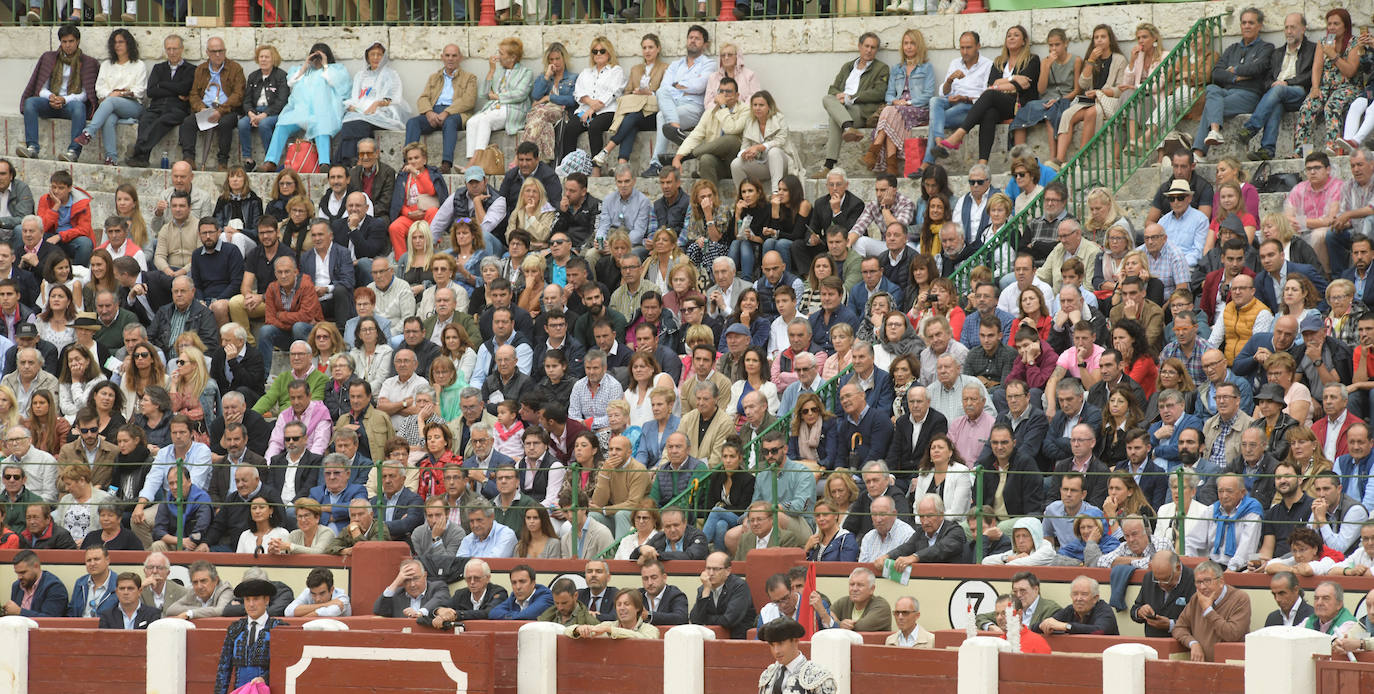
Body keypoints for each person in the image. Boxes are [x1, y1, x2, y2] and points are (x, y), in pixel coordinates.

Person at [935, 26, 1041, 167]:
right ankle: (982, 163)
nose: (1011, 38)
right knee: (989, 112)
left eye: (1016, 35)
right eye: (1009, 35)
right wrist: (1012, 79)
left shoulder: (1032, 59)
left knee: (990, 94)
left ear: (1024, 41)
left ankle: (959, 134)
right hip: (1001, 103)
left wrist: (999, 85)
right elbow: (992, 83)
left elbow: (1023, 85)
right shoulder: (999, 61)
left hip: (1020, 104)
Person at [257, 42, 350, 174]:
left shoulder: (335, 70)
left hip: (324, 113)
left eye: (320, 56)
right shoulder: (303, 71)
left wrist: (325, 65)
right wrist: (306, 65)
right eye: (315, 56)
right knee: (282, 125)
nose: (317, 60)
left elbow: (335, 82)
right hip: (300, 113)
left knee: (322, 127)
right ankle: (270, 162)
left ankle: (324, 163)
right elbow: (291, 82)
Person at [16, 24, 100, 163]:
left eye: (71, 41)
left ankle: (73, 152)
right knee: (30, 102)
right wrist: (51, 97)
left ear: (78, 41)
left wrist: (64, 100)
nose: (68, 45)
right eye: (64, 41)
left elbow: (85, 94)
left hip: (70, 105)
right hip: (50, 102)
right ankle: (32, 148)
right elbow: (41, 88)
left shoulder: (88, 62)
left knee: (80, 107)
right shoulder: (49, 58)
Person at [1240, 13, 1316, 161]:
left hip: (1299, 92)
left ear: (1303, 29)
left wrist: (1287, 83)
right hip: (1278, 95)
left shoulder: (1312, 49)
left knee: (1279, 89)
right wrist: (1273, 84)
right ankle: (1267, 150)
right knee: (1276, 103)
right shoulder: (1277, 53)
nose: (1289, 31)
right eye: (1286, 28)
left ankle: (1251, 128)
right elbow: (1267, 79)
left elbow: (1310, 75)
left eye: (1293, 27)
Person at [1294, 10, 1362, 156]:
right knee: (1307, 107)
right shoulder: (1324, 42)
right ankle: (1304, 152)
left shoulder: (1354, 43)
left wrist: (1334, 56)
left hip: (1348, 87)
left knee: (1332, 106)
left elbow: (1350, 71)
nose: (1331, 27)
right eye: (1329, 24)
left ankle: (1334, 148)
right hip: (1325, 87)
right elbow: (1317, 67)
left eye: (1336, 24)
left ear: (1345, 26)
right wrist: (1315, 87)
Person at [124, 35, 196, 169]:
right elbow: (151, 91)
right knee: (145, 120)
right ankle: (142, 158)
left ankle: (138, 150)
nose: (172, 52)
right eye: (169, 49)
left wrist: (162, 84)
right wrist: (175, 89)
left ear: (181, 49)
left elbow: (184, 89)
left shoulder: (190, 69)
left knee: (162, 121)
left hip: (177, 109)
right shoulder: (158, 68)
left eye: (175, 49)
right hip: (156, 106)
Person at [462, 38, 534, 170]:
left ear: (512, 57)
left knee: (485, 120)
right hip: (494, 108)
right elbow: (484, 94)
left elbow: (520, 94)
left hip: (514, 109)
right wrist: (491, 71)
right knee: (471, 122)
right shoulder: (497, 71)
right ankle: (472, 164)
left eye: (501, 53)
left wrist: (497, 96)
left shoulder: (526, 73)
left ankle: (474, 162)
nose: (498, 56)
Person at [756, 618, 837, 694]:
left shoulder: (818, 676)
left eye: (781, 644)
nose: (776, 651)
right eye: (772, 645)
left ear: (795, 640)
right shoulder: (768, 675)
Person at [689, 551, 755, 639]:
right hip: (712, 639)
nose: (711, 573)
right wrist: (706, 591)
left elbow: (729, 620)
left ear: (728, 571)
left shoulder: (739, 586)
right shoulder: (704, 588)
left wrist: (705, 619)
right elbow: (695, 620)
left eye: (716, 569)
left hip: (738, 638)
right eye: (708, 568)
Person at [1038, 575, 1119, 635]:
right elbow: (1037, 627)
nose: (1079, 598)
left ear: (1095, 598)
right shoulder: (1070, 610)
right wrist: (1046, 624)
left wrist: (1067, 627)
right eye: (1075, 594)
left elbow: (1099, 631)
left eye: (1084, 594)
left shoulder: (1104, 610)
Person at [3, 550, 67, 618]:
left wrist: (20, 612)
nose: (19, 577)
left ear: (36, 566)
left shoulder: (54, 587)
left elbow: (51, 619)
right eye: (17, 573)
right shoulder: (16, 586)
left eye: (23, 572)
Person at [166, 560, 234, 620]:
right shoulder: (193, 592)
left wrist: (190, 613)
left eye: (203, 581)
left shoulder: (226, 590)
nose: (199, 586)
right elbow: (171, 610)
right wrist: (205, 609)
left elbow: (221, 610)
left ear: (216, 580)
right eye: (195, 582)